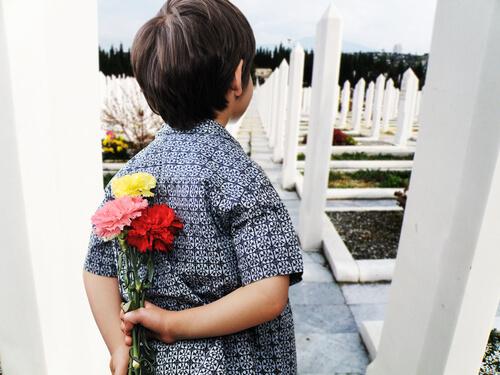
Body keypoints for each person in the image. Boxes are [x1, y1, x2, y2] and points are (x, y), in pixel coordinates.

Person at [82, 0, 305, 373]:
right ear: (238, 79)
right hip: (239, 362)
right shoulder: (241, 177)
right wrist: (173, 324)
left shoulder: (128, 178)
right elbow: (269, 293)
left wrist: (118, 349)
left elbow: (97, 271)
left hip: (159, 364)